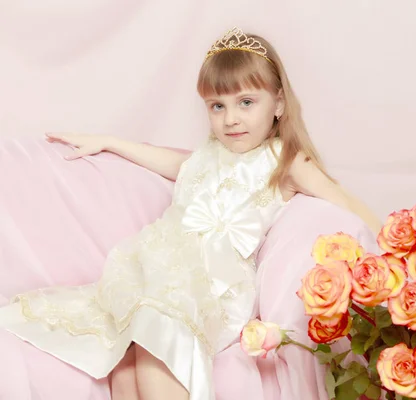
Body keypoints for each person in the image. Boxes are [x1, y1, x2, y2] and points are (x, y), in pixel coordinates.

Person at [0, 27, 381, 400]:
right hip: (159, 268)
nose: (231, 118)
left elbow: (341, 200)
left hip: (212, 284)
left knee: (153, 338)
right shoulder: (209, 154)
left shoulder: (285, 160)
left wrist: (396, 243)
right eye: (218, 106)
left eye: (246, 102)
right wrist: (108, 142)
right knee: (125, 363)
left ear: (278, 103)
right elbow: (173, 161)